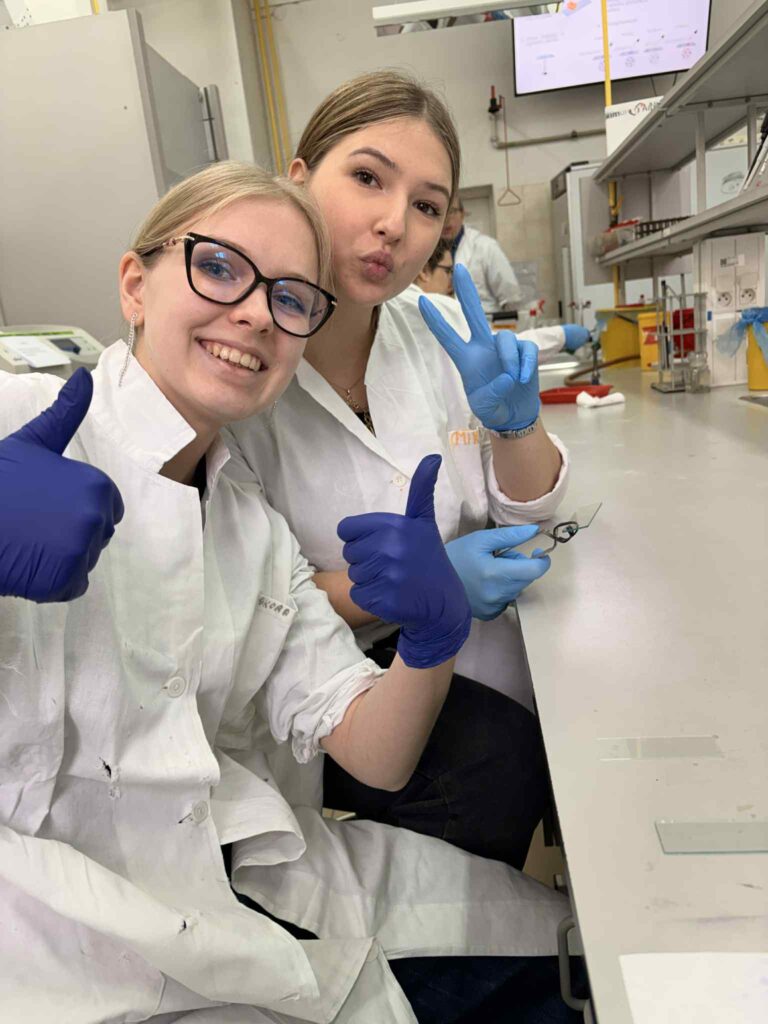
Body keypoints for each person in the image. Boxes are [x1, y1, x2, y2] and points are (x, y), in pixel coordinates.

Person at [0, 161, 581, 1023]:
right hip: (40, 938)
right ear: (135, 285)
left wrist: (433, 636)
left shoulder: (249, 525)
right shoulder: (18, 418)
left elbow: (375, 754)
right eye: (219, 267)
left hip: (227, 876)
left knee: (567, 949)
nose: (255, 315)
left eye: (291, 298)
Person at [227, 71, 569, 873]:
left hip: (469, 647)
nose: (393, 225)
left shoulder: (442, 330)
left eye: (425, 205)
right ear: (299, 180)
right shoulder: (244, 360)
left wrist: (516, 423)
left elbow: (531, 511)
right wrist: (405, 589)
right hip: (325, 674)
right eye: (367, 178)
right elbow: (243, 596)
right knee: (490, 769)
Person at [442, 199, 592, 356]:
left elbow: (511, 297)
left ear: (463, 214)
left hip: (486, 331)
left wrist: (512, 325)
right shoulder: (430, 251)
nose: (446, 220)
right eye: (441, 212)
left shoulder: (486, 247)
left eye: (451, 212)